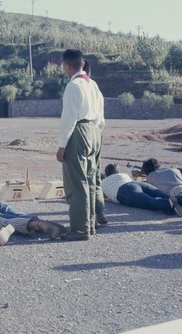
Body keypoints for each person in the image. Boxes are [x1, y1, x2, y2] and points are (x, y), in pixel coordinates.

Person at [56, 49, 104, 241]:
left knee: (77, 182)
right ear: (82, 64)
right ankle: (90, 224)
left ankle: (80, 229)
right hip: (94, 131)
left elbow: (69, 118)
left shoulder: (73, 86)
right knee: (91, 181)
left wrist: (62, 145)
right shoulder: (93, 85)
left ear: (67, 65)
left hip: (79, 131)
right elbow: (101, 115)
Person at [102, 163, 182, 216]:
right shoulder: (123, 175)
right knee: (166, 196)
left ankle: (170, 206)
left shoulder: (103, 182)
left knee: (152, 202)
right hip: (137, 184)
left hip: (125, 191)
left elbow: (100, 196)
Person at [83, 60, 107, 228]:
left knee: (84, 178)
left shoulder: (79, 86)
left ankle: (89, 219)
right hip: (98, 132)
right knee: (95, 176)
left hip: (85, 132)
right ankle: (100, 213)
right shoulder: (95, 87)